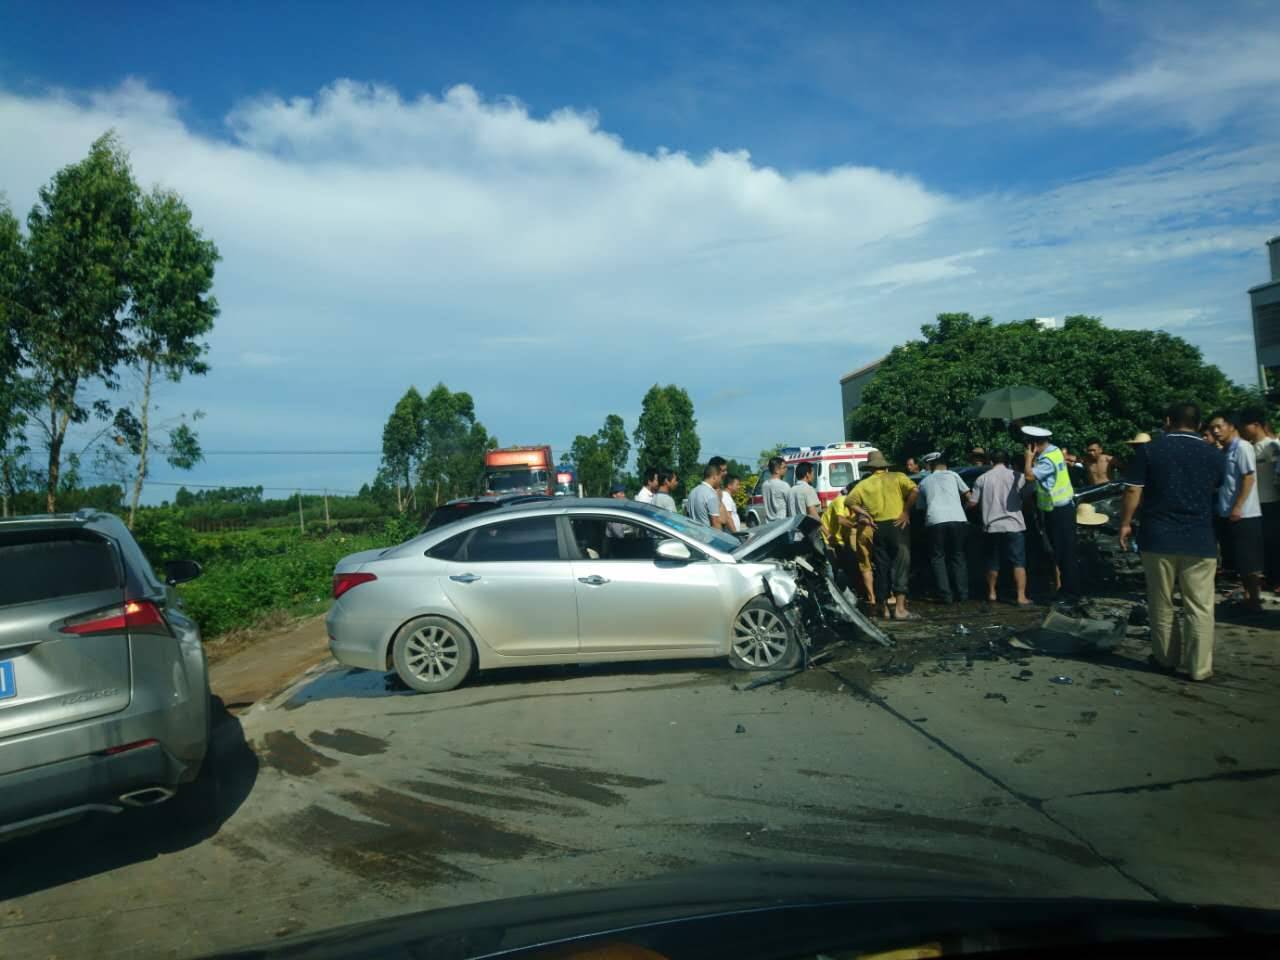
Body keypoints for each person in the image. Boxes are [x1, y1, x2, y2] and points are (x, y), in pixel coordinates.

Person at [1118, 403, 1225, 680]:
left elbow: (1132, 490)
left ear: (1168, 420)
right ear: (1199, 425)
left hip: (1159, 536)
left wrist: (1125, 523)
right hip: (1200, 538)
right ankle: (1199, 668)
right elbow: (1217, 488)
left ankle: (1165, 658)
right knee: (1200, 606)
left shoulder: (1150, 450)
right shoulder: (1214, 454)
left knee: (1161, 601)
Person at [847, 451, 918, 620]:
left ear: (870, 468)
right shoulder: (898, 477)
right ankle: (900, 609)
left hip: (878, 527)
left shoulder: (864, 484)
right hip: (897, 525)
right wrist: (906, 512)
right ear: (885, 466)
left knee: (881, 568)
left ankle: (884, 609)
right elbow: (915, 491)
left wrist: (866, 516)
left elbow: (849, 501)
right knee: (901, 565)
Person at [1209, 411, 1265, 613]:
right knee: (1239, 561)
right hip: (1228, 513)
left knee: (1249, 561)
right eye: (1212, 428)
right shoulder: (1225, 451)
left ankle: (1255, 600)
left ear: (1232, 426)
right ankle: (1248, 598)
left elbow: (1248, 478)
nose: (1215, 431)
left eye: (1219, 426)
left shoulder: (1242, 447)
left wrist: (1238, 506)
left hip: (1245, 514)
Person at [1023, 425, 1081, 600]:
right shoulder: (1055, 451)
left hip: (1059, 510)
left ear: (1034, 445)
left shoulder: (1047, 460)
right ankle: (1068, 589)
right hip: (1061, 508)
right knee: (1063, 551)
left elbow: (1029, 476)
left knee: (1064, 552)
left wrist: (1028, 459)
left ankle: (1070, 592)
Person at [968, 449, 1030, 606]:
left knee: (992, 561)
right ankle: (1021, 596)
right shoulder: (1018, 476)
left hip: (992, 526)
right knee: (1018, 562)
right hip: (1014, 524)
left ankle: (992, 593)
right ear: (1007, 462)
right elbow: (1027, 494)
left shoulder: (982, 478)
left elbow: (973, 503)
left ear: (990, 462)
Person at [916, 452, 971, 603]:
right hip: (958, 519)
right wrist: (962, 510)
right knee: (958, 555)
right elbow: (969, 496)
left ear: (930, 466)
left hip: (936, 521)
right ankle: (963, 593)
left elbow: (920, 508)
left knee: (938, 557)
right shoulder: (954, 475)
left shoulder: (924, 482)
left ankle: (946, 595)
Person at [1238, 407, 1279, 594]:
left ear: (1256, 425)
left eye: (1244, 425)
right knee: (1264, 544)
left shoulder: (1273, 446)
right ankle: (1270, 578)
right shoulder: (1250, 448)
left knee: (1275, 543)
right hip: (1257, 504)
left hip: (1272, 501)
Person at [686, 463, 723, 528]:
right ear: (715, 477)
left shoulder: (693, 491)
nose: (721, 480)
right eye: (720, 477)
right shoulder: (711, 494)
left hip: (691, 534)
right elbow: (716, 523)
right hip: (705, 536)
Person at [761, 456, 790, 522]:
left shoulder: (764, 484)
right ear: (777, 470)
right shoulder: (784, 485)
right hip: (781, 523)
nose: (786, 469)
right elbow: (790, 504)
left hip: (769, 523)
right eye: (784, 467)